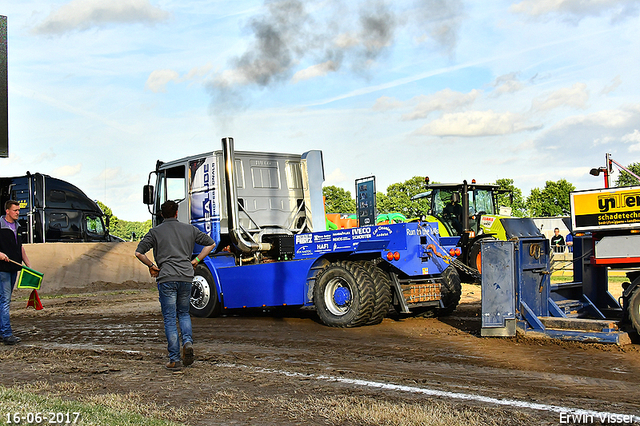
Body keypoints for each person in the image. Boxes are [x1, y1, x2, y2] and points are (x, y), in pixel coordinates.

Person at [135, 200, 216, 370]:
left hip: (166, 278)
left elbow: (138, 252)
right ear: (177, 213)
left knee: (170, 318)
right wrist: (196, 260)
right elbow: (211, 244)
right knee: (184, 313)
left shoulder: (155, 232)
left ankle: (174, 359)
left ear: (162, 214)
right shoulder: (189, 229)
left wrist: (151, 265)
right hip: (186, 277)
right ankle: (187, 342)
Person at [0, 200, 31, 345]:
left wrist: (28, 264)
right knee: (5, 301)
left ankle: (2, 331)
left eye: (18, 210)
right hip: (2, 270)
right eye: (15, 210)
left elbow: (21, 247)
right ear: (7, 211)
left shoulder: (18, 226)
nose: (18, 212)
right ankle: (6, 334)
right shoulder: (0, 226)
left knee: (3, 301)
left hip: (14, 268)